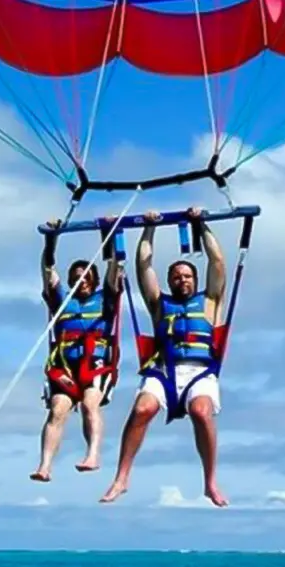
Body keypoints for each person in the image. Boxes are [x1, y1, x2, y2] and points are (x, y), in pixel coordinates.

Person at [100, 207, 229, 507]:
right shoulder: (160, 304)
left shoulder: (210, 300)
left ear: (195, 280)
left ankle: (210, 481)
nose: (182, 280)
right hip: (164, 370)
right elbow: (143, 266)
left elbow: (218, 261)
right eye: (176, 276)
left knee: (201, 412)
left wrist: (202, 224)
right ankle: (122, 478)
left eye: (187, 275)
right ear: (170, 281)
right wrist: (149, 228)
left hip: (199, 372)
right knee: (143, 409)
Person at [30, 219, 123, 482]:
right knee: (57, 409)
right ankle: (45, 466)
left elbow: (115, 265)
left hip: (96, 364)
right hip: (65, 366)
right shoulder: (63, 300)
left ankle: (92, 455)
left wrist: (112, 233)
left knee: (89, 404)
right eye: (77, 277)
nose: (82, 281)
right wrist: (51, 239)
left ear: (93, 280)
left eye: (87, 277)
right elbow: (48, 269)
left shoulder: (105, 297)